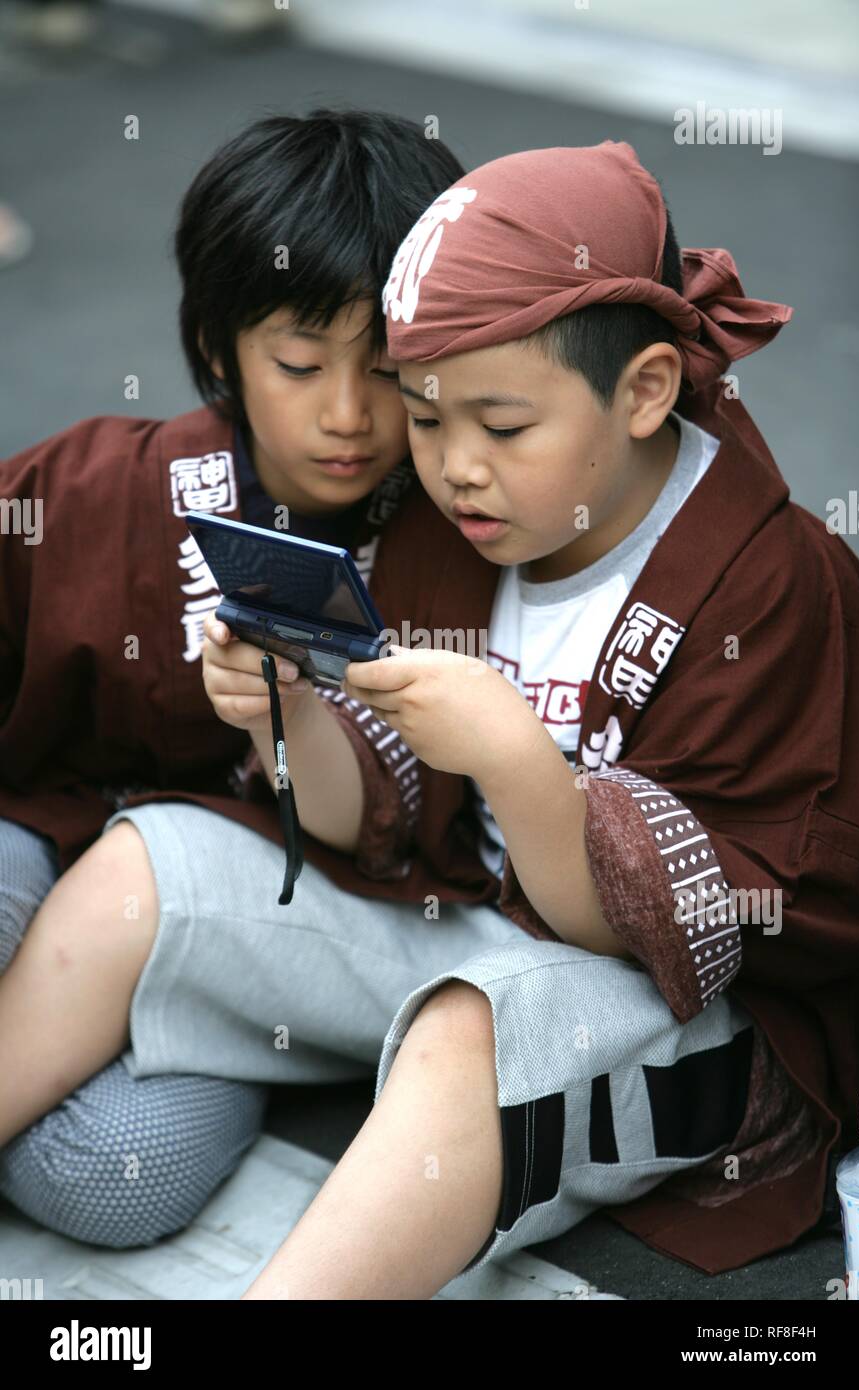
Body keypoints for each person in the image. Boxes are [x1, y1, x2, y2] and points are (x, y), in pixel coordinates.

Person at [0, 108, 466, 1246]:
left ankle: (154, 1030)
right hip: (39, 837)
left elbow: (401, 827)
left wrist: (289, 714)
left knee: (107, 1172)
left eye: (390, 368)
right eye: (299, 364)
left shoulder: (460, 538)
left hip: (251, 940)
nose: (349, 415)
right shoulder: (100, 484)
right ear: (217, 348)